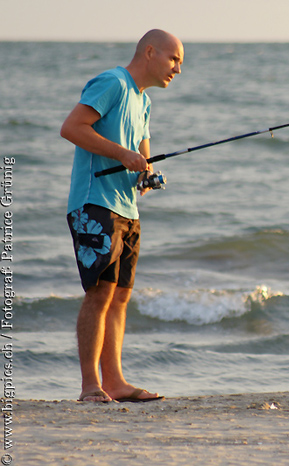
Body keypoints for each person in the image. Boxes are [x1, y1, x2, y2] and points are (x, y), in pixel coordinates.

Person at [61, 29, 184, 403]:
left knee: (119, 297)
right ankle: (90, 387)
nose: (178, 69)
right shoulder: (112, 83)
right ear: (150, 52)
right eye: (174, 59)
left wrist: (146, 176)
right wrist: (121, 154)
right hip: (93, 202)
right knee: (99, 294)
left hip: (126, 208)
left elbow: (141, 155)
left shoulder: (143, 101)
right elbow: (72, 127)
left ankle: (114, 382)